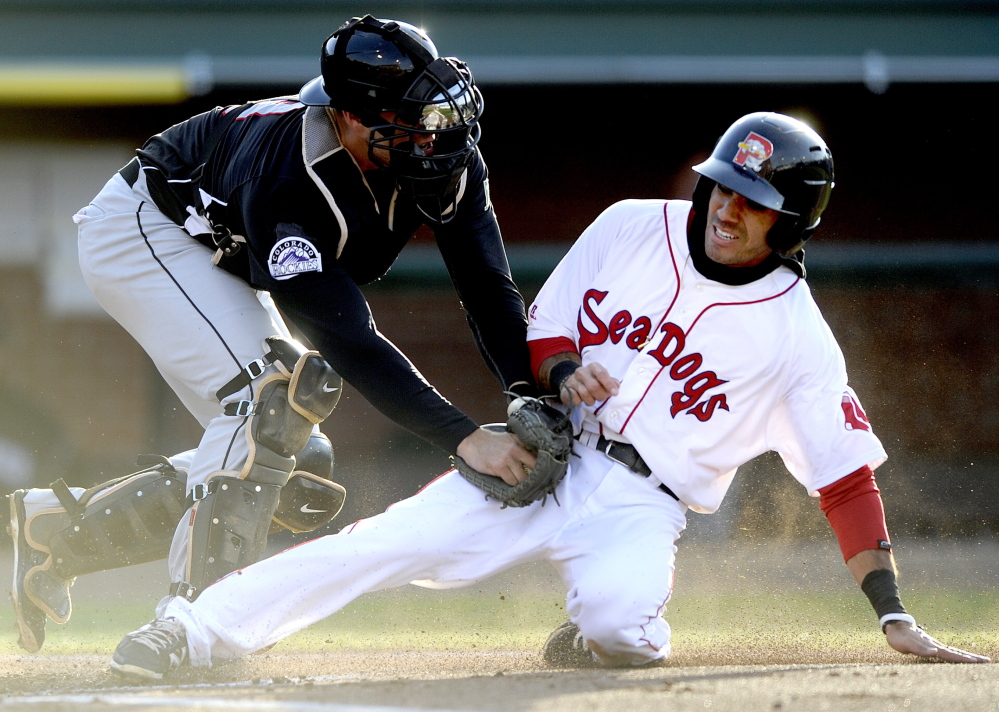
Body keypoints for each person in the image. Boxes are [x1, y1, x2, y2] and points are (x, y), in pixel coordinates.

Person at [107, 111, 989, 682]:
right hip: (548, 451)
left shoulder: (797, 336)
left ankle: (596, 640)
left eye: (754, 200)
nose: (726, 206)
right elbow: (545, 328)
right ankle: (190, 631)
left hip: (644, 503)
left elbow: (842, 480)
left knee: (622, 630)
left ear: (791, 220)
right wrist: (562, 376)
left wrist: (892, 611)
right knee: (382, 542)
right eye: (724, 184)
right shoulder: (629, 225)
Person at [7, 15, 540, 654]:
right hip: (143, 229)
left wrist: (526, 392)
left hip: (214, 249)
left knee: (292, 454)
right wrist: (462, 437)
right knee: (267, 408)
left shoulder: (439, 155)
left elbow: (488, 287)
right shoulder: (290, 178)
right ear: (346, 117)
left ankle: (55, 530)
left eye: (430, 112)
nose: (431, 134)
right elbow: (346, 337)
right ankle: (187, 622)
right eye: (407, 118)